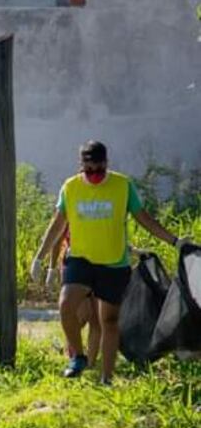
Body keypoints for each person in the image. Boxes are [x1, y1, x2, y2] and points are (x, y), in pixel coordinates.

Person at [31, 140, 186, 384]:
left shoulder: (123, 186)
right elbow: (58, 224)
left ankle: (106, 378)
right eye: (88, 170)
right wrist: (40, 257)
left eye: (99, 169)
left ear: (106, 163)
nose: (94, 175)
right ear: (81, 165)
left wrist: (174, 241)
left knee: (108, 321)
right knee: (66, 305)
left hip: (114, 264)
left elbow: (144, 218)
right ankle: (78, 357)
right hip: (80, 259)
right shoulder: (70, 187)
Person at [40, 224, 101, 367]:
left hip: (102, 264)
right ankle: (74, 355)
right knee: (80, 317)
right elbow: (57, 237)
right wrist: (51, 268)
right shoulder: (71, 207)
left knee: (97, 319)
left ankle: (90, 364)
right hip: (76, 266)